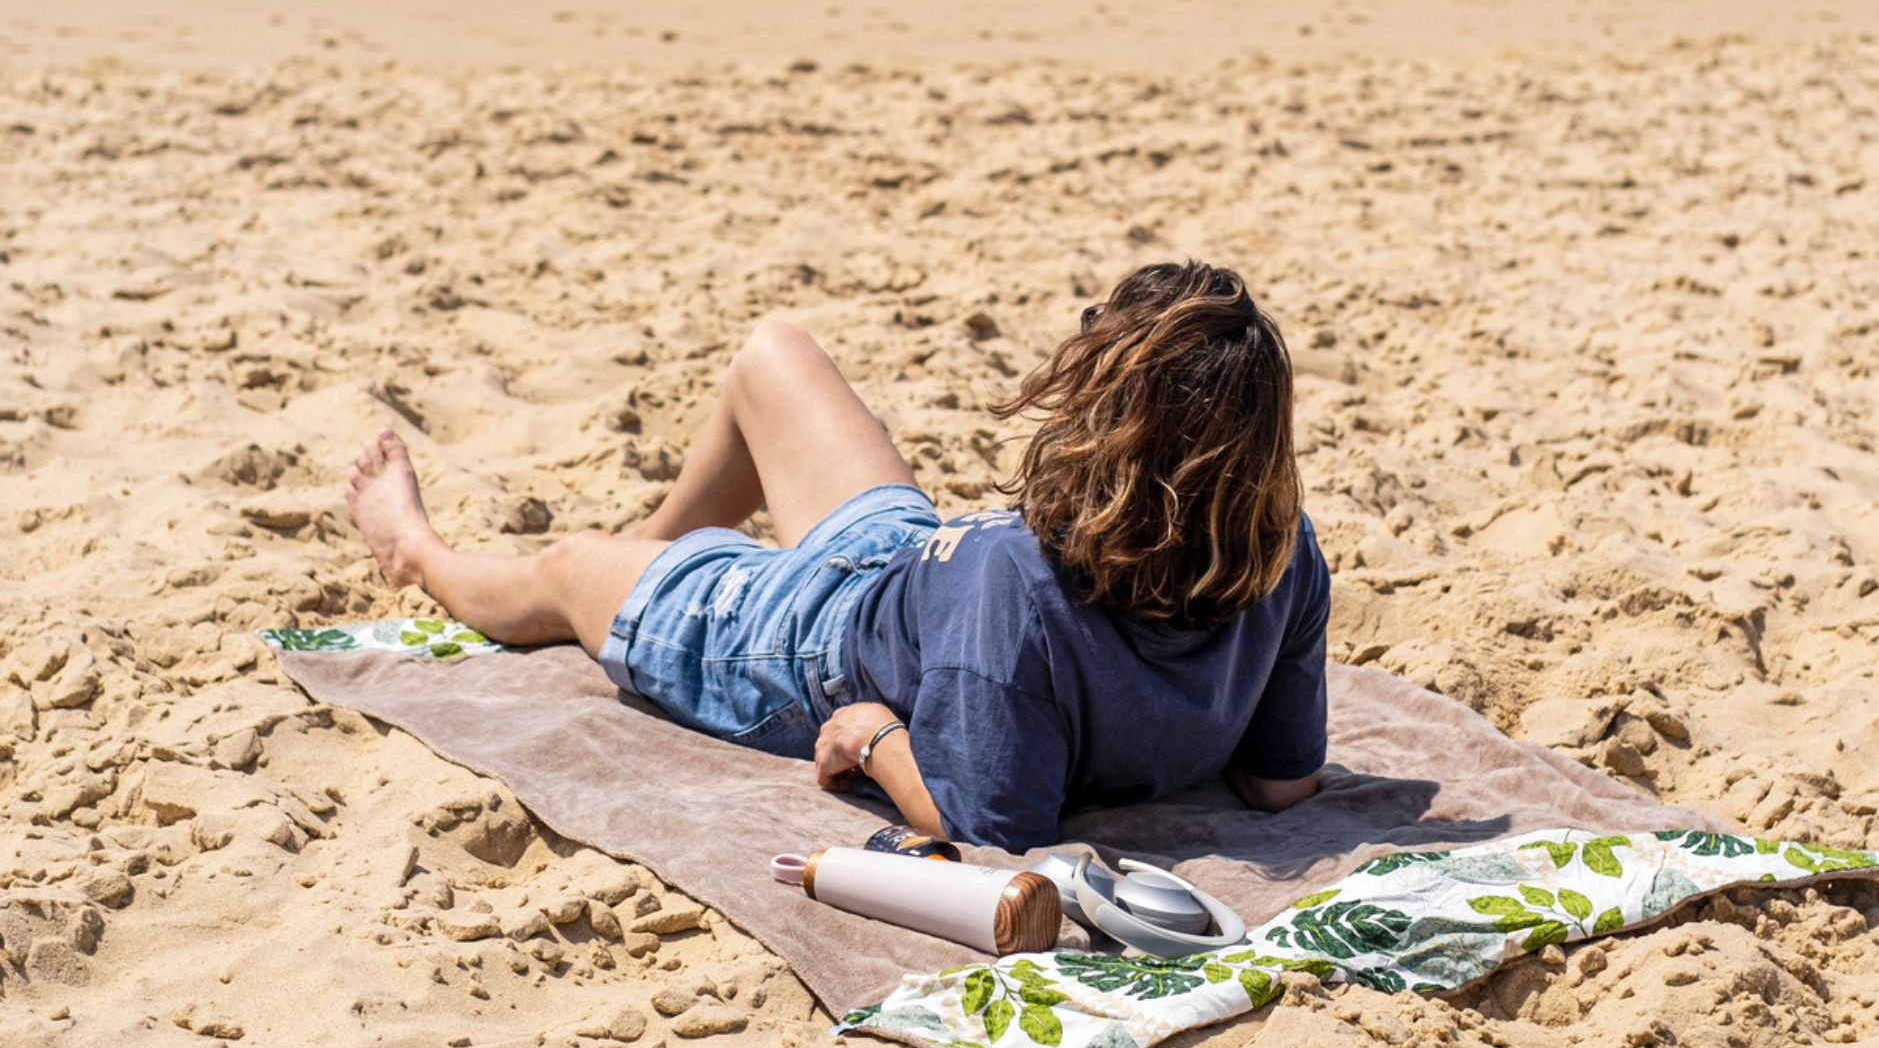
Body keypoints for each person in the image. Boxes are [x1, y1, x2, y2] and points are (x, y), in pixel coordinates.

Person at [344, 261, 1330, 852]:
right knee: (771, 353)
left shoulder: (1023, 595)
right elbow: (1277, 783)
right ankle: (644, 564)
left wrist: (870, 737)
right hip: (901, 564)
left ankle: (419, 551)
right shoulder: (1279, 553)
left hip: (796, 641)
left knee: (558, 570)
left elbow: (988, 825)